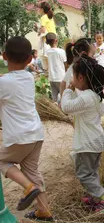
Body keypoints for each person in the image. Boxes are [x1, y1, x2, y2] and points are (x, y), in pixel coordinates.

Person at [0, 36, 54, 221]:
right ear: (30, 59)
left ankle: (28, 188)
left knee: (2, 161)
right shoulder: (29, 77)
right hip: (36, 134)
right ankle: (44, 210)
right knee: (32, 171)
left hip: (19, 136)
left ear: (4, 56)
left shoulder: (3, 83)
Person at [61, 55, 104, 212]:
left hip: (87, 144)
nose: (71, 78)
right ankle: (95, 199)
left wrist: (68, 90)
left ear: (80, 77)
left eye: (73, 75)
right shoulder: (96, 96)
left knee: (84, 175)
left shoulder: (86, 97)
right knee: (92, 173)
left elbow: (66, 107)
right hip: (96, 142)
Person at [46, 33, 66, 103]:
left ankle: (54, 112)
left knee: (54, 99)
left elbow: (45, 66)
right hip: (61, 77)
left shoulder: (47, 52)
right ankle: (62, 112)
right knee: (63, 97)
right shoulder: (61, 51)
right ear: (56, 40)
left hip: (51, 78)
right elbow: (65, 64)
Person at [36, 2, 56, 71]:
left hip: (47, 41)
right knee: (51, 60)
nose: (38, 10)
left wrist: (38, 28)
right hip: (53, 40)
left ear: (42, 9)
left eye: (39, 8)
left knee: (45, 59)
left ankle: (47, 76)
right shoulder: (50, 17)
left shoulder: (43, 17)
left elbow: (43, 30)